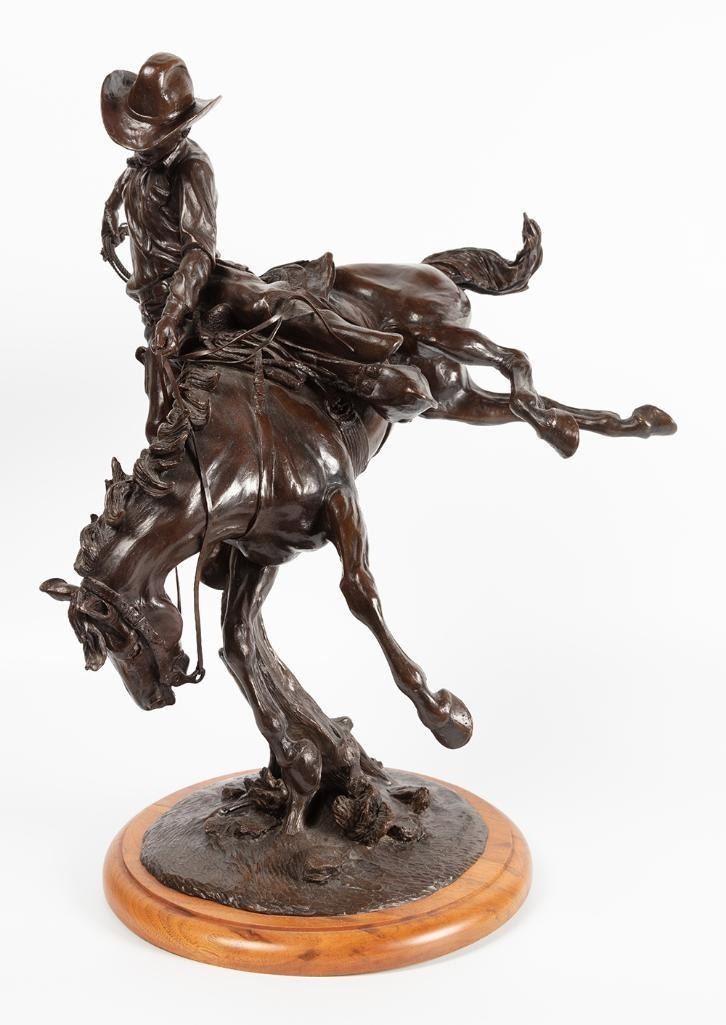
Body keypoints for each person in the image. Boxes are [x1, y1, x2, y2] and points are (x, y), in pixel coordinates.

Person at [100, 52, 434, 422]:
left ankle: (354, 348)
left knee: (268, 303)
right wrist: (110, 218)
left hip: (197, 285)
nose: (140, 143)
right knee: (160, 417)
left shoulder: (191, 168)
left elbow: (198, 251)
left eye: (149, 134)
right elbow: (123, 187)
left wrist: (175, 311)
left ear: (180, 130)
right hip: (152, 303)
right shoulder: (140, 165)